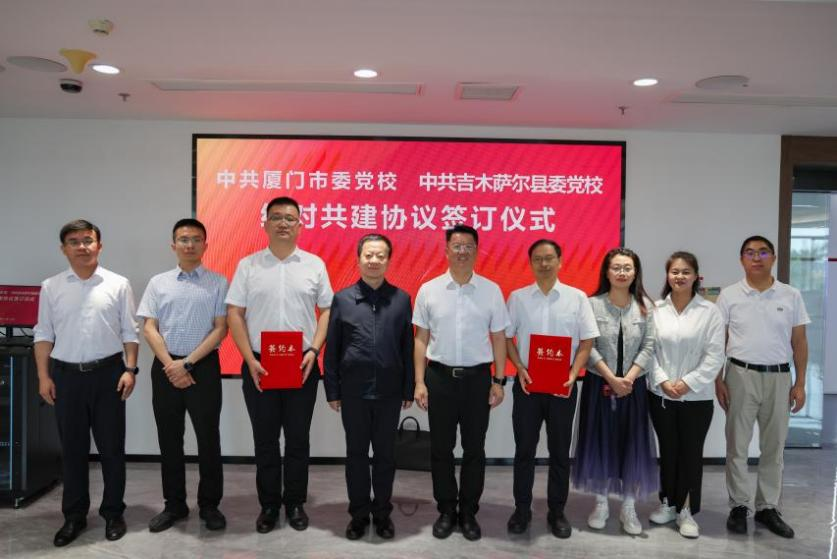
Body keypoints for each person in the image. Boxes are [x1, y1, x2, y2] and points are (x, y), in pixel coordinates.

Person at [226, 196, 333, 533]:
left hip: (302, 363)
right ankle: (269, 505)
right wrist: (248, 359)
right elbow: (235, 314)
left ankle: (296, 503)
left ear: (300, 225)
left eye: (290, 218)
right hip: (260, 364)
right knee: (266, 440)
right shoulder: (248, 266)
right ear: (265, 224)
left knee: (298, 439)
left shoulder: (314, 265)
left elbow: (327, 311)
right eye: (276, 217)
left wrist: (314, 350)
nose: (283, 223)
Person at [33, 219, 139, 547]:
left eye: (88, 240)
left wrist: (130, 370)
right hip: (65, 378)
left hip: (109, 375)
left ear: (99, 245)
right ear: (64, 249)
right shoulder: (51, 286)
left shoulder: (118, 284)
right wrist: (43, 376)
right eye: (74, 241)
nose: (82, 246)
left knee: (112, 449)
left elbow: (130, 331)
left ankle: (113, 513)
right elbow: (43, 333)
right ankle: (74, 516)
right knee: (73, 451)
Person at [413, 224, 509, 542]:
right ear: (446, 250)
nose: (462, 251)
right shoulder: (429, 290)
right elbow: (421, 338)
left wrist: (499, 380)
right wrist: (419, 382)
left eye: (468, 246)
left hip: (477, 380)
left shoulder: (491, 290)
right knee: (441, 449)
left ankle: (468, 511)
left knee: (474, 449)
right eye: (457, 246)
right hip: (439, 378)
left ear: (477, 251)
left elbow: (499, 338)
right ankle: (446, 510)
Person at [137, 218, 229, 533]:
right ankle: (174, 505)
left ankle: (210, 505)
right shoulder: (158, 283)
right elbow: (149, 328)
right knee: (170, 439)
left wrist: (187, 363)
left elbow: (221, 328)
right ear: (173, 245)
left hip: (202, 366)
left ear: (206, 244)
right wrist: (172, 365)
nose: (190, 244)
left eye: (196, 239)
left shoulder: (218, 282)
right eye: (183, 239)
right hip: (166, 367)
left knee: (208, 438)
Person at [715, 235, 809, 539]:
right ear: (742, 259)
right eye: (750, 253)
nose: (757, 258)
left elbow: (799, 341)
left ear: (774, 258)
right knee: (737, 446)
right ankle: (739, 506)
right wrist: (718, 379)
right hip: (739, 375)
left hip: (780, 378)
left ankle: (767, 508)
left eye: (763, 252)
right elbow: (719, 341)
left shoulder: (791, 295)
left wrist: (800, 383)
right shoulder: (729, 295)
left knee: (774, 447)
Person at [505, 239, 599, 538]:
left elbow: (587, 341)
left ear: (560, 261)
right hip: (528, 387)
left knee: (559, 452)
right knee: (524, 450)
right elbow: (506, 338)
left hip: (563, 388)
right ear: (530, 262)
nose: (543, 264)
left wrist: (573, 373)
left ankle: (557, 511)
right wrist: (519, 367)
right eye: (537, 259)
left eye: (549, 258)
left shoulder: (577, 298)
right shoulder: (518, 298)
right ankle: (522, 510)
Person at [324, 234, 414, 541]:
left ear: (389, 260)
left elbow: (407, 346)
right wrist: (333, 391)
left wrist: (408, 388)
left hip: (390, 393)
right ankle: (359, 515)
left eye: (380, 256)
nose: (374, 261)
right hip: (354, 392)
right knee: (356, 455)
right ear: (359, 259)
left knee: (386, 456)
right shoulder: (342, 299)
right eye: (368, 255)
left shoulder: (401, 299)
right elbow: (333, 348)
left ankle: (383, 514)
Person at [572, 247, 657, 536]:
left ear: (635, 273)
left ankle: (628, 507)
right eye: (616, 267)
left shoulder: (646, 306)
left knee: (631, 444)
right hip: (599, 384)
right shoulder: (591, 304)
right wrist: (611, 377)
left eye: (627, 268)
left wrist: (628, 379)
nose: (622, 272)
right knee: (599, 441)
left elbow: (649, 345)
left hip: (634, 387)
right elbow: (588, 344)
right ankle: (601, 504)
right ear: (606, 272)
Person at [647, 251, 725, 538]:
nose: (679, 276)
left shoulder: (710, 312)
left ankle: (687, 510)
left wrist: (688, 383)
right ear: (668, 276)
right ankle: (668, 503)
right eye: (675, 272)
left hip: (697, 398)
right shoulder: (656, 310)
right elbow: (648, 350)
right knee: (668, 451)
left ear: (696, 277)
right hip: (661, 395)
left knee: (690, 453)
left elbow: (715, 355)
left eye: (685, 272)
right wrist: (663, 380)